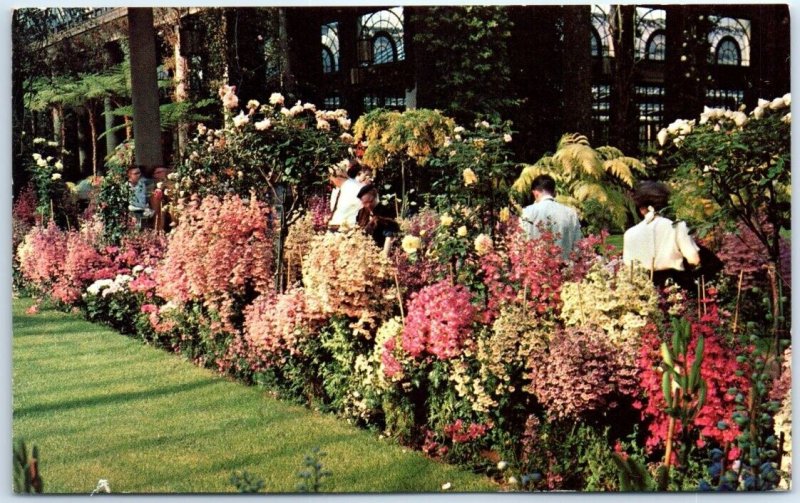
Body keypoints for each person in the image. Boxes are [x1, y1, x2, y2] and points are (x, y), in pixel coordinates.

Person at [623, 181, 701, 291]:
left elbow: (628, 267)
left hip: (643, 289)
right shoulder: (677, 227)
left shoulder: (630, 234)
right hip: (675, 287)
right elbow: (694, 259)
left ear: (641, 208)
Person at [520, 174, 583, 260]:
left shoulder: (526, 212)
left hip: (534, 269)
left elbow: (519, 245)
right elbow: (578, 248)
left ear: (535, 193)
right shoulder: (570, 213)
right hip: (564, 270)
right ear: (554, 193)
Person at [356, 184, 399, 254]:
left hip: (380, 251)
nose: (368, 205)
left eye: (370, 201)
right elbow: (358, 233)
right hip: (364, 252)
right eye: (365, 203)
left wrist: (384, 257)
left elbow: (389, 236)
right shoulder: (361, 213)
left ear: (376, 197)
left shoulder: (387, 210)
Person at [327, 160, 364, 230]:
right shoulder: (340, 188)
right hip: (338, 227)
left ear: (338, 176)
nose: (329, 180)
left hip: (347, 229)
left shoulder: (353, 188)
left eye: (330, 176)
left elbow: (345, 211)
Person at [149, 166, 173, 232]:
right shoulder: (154, 186)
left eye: (159, 172)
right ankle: (159, 230)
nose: (156, 175)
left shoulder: (171, 181)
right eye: (155, 173)